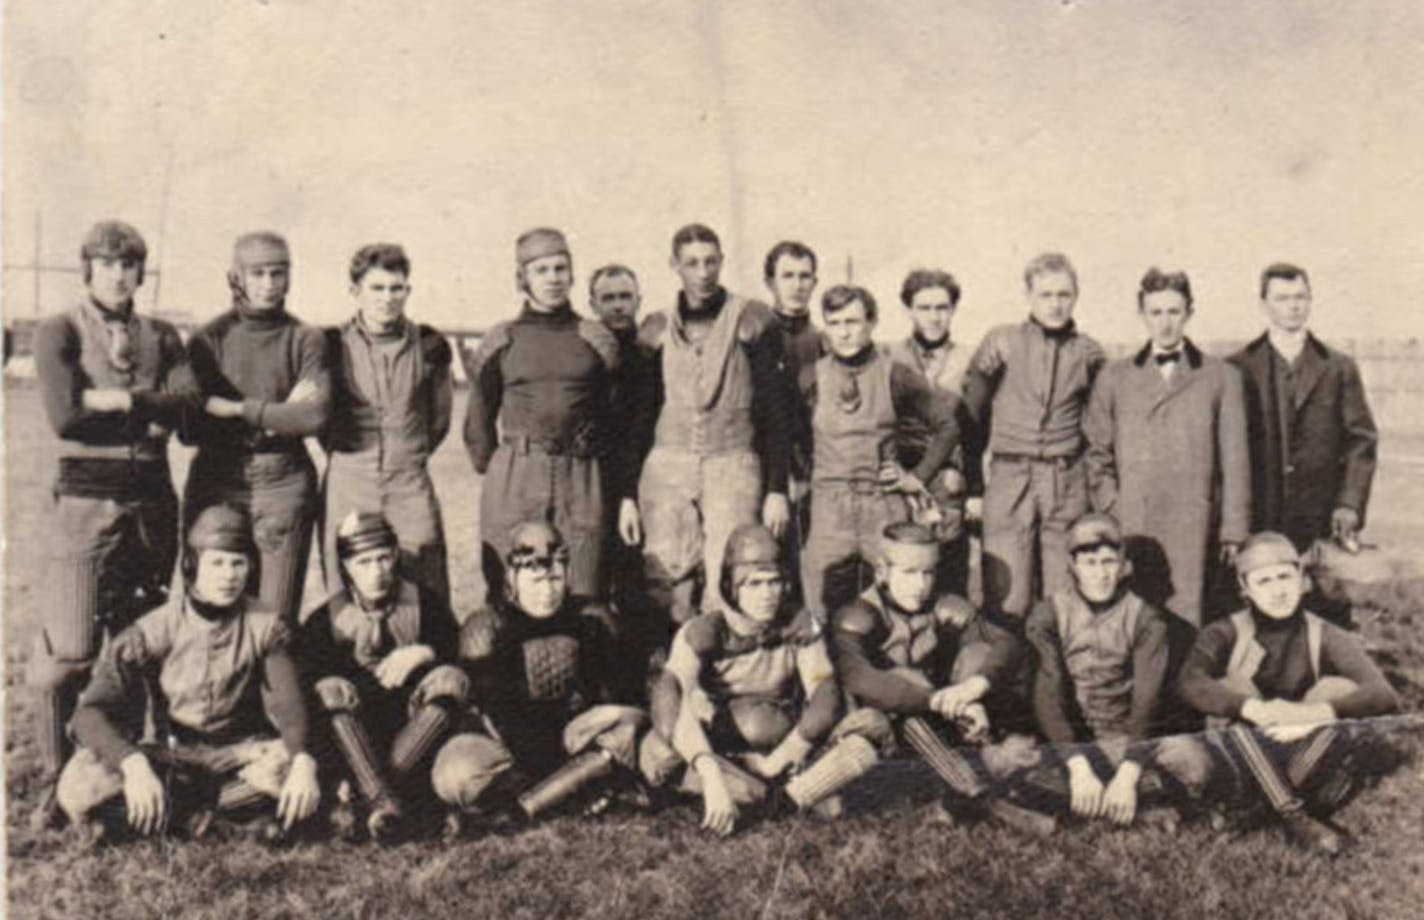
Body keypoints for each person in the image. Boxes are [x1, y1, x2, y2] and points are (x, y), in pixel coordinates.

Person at [28, 220, 198, 830]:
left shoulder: (163, 334)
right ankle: (53, 778)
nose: (119, 274)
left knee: (134, 648)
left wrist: (122, 400)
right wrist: (142, 408)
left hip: (151, 505)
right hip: (85, 504)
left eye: (130, 265)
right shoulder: (59, 330)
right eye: (107, 263)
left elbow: (185, 410)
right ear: (88, 269)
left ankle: (121, 770)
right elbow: (66, 417)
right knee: (69, 654)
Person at [54, 505, 321, 844]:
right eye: (217, 563)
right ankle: (221, 824)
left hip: (239, 755)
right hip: (171, 754)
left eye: (238, 563)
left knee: (293, 769)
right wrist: (133, 763)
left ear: (250, 566)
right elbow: (88, 713)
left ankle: (172, 818)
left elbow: (288, 704)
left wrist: (301, 759)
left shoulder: (266, 624)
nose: (229, 575)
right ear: (192, 566)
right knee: (79, 786)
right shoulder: (152, 629)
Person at [639, 524, 883, 835]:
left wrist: (788, 753)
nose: (766, 595)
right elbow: (669, 693)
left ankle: (769, 797)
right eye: (753, 584)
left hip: (781, 749)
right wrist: (710, 772)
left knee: (871, 725)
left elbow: (824, 692)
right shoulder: (705, 630)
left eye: (774, 582)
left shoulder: (799, 624)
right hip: (722, 751)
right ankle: (780, 797)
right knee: (657, 753)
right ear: (731, 586)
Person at [1173, 532, 1400, 854]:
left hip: (1299, 751)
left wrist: (1310, 714)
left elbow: (1383, 693)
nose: (1277, 590)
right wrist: (1253, 709)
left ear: (1303, 581)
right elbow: (1189, 681)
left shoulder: (1325, 633)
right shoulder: (1223, 632)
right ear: (1245, 589)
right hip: (1237, 756)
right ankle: (1293, 814)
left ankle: (1256, 811)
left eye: (1284, 577)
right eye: (1263, 581)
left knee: (1340, 695)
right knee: (1233, 689)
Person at [828, 522, 1054, 833]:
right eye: (908, 572)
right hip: (872, 737)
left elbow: (1006, 643)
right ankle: (983, 798)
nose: (920, 584)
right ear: (882, 571)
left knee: (978, 655)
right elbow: (861, 680)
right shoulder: (858, 615)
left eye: (928, 572)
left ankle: (961, 789)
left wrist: (973, 688)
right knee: (901, 689)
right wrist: (937, 700)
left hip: (934, 729)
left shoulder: (943, 604)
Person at [626, 223, 792, 632]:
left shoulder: (752, 320)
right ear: (674, 266)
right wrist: (627, 494)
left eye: (711, 261)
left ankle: (730, 672)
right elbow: (639, 417)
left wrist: (775, 488)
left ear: (721, 262)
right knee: (667, 572)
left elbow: (774, 413)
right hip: (668, 465)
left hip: (733, 460)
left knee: (734, 566)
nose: (703, 272)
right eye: (692, 263)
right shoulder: (656, 329)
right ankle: (669, 671)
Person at [445, 521, 647, 832]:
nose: (547, 590)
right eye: (535, 580)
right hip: (510, 750)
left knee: (626, 731)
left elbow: (622, 693)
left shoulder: (593, 617)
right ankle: (573, 791)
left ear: (566, 575)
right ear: (513, 578)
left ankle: (517, 810)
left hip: (578, 740)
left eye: (554, 578)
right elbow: (486, 711)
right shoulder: (486, 626)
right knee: (457, 773)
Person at [1084, 268, 1250, 627]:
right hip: (1135, 521)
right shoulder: (1115, 377)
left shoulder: (1221, 377)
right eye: (1156, 312)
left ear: (1190, 311)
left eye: (1174, 312)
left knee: (1189, 615)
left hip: (1194, 522)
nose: (1165, 323)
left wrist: (1233, 530)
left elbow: (1235, 461)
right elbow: (1096, 454)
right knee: (1136, 617)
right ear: (1142, 314)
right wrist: (1115, 507)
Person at [463, 228, 622, 602]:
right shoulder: (503, 339)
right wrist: (506, 468)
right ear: (523, 278)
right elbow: (478, 421)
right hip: (517, 473)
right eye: (541, 270)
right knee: (511, 586)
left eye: (560, 268)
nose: (553, 278)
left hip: (580, 475)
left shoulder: (595, 339)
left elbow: (614, 416)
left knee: (584, 587)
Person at [183, 231, 331, 624]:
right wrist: (278, 414)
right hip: (217, 477)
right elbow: (192, 425)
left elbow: (313, 418)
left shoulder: (305, 339)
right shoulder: (208, 340)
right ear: (237, 278)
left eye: (278, 273)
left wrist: (237, 410)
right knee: (207, 607)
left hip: (284, 483)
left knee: (274, 618)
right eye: (259, 273)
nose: (269, 284)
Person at [1018, 513, 1197, 828]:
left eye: (1109, 562)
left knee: (1194, 764)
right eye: (1089, 563)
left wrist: (1128, 773)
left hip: (1123, 735)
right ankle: (1134, 805)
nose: (1101, 574)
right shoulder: (1048, 613)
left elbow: (1147, 701)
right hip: (1067, 740)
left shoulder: (1146, 619)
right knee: (1008, 760)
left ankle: (1094, 802)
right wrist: (1077, 764)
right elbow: (1048, 693)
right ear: (1072, 565)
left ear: (1124, 565)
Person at [300, 512, 469, 842]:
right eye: (363, 562)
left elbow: (460, 652)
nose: (376, 572)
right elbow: (308, 682)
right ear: (346, 566)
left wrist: (426, 651)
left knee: (451, 679)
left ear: (395, 557)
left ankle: (378, 799)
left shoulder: (424, 604)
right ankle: (388, 802)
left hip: (415, 736)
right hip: (356, 740)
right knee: (327, 690)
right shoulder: (328, 619)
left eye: (383, 559)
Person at [1228, 264, 1378, 624]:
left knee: (1324, 613)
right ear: (1264, 304)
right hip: (1259, 516)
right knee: (1259, 611)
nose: (1293, 306)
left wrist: (1349, 505)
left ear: (1310, 300)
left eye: (1300, 297)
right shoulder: (1237, 368)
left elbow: (1361, 441)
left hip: (1319, 519)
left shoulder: (1338, 367)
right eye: (1282, 298)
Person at [799, 285, 960, 621]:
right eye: (835, 323)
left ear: (871, 322)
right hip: (830, 503)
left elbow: (949, 426)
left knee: (901, 593)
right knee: (818, 596)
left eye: (853, 321)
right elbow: (787, 432)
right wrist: (803, 475)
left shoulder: (896, 375)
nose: (844, 332)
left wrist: (916, 478)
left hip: (882, 502)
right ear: (826, 327)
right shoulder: (811, 376)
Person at [963, 253, 1105, 621]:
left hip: (1065, 479)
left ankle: (1055, 675)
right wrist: (975, 487)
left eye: (1064, 294)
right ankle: (1008, 674)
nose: (1055, 304)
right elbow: (971, 419)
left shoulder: (1089, 353)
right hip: (1011, 476)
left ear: (1076, 296)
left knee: (1064, 593)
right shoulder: (1001, 344)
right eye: (1046, 295)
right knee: (1006, 592)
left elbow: (1098, 427)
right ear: (1028, 296)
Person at [320, 244, 453, 602]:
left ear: (407, 291)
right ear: (355, 292)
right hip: (349, 481)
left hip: (408, 482)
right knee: (348, 591)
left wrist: (406, 454)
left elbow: (439, 420)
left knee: (427, 590)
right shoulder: (329, 345)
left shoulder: (428, 345)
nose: (387, 298)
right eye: (377, 288)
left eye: (397, 288)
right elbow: (320, 418)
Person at [887, 268, 980, 597]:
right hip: (900, 479)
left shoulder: (969, 359)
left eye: (942, 307)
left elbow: (973, 428)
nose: (934, 316)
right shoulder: (889, 357)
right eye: (924, 308)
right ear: (908, 310)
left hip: (947, 480)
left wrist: (971, 486)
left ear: (953, 310)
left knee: (948, 572)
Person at [587, 264, 655, 642]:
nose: (617, 306)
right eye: (608, 298)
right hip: (591, 479)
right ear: (593, 304)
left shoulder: (652, 355)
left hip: (641, 479)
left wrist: (632, 491)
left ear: (638, 300)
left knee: (636, 580)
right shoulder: (584, 354)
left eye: (624, 297)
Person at [762, 240, 823, 581]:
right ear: (770, 282)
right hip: (762, 467)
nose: (797, 285)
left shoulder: (824, 343)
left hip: (810, 469)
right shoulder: (756, 335)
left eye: (805, 276)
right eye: (788, 276)